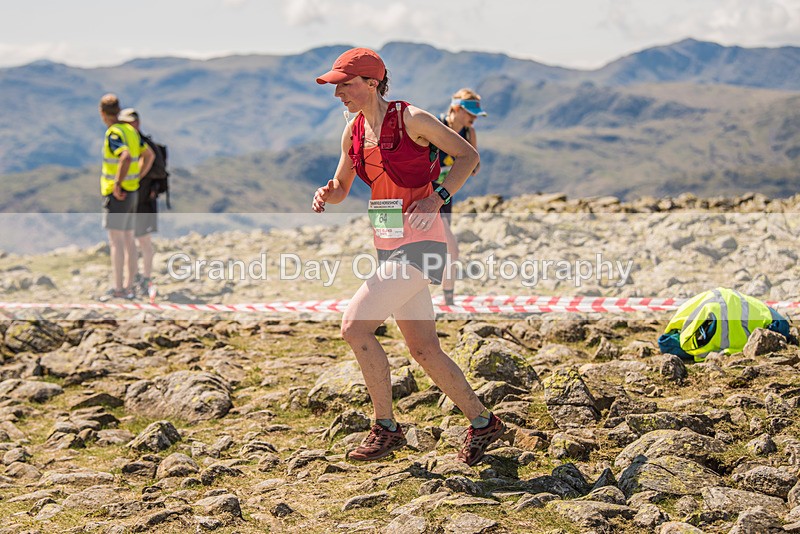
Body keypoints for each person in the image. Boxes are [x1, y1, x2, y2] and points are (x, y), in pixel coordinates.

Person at [313, 48, 505, 466]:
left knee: (354, 327)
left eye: (344, 84)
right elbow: (344, 186)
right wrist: (329, 193)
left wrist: (437, 197)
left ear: (371, 82)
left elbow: (468, 157)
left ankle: (386, 427)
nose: (337, 93)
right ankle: (483, 421)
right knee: (424, 350)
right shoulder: (352, 132)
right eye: (336, 85)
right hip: (387, 246)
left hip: (423, 246)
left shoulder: (412, 118)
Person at [98, 94, 154, 299]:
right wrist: (137, 176)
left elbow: (125, 156)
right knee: (129, 239)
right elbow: (149, 155)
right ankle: (129, 287)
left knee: (116, 242)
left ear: (102, 113)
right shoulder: (131, 131)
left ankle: (119, 288)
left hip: (118, 194)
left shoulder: (114, 133)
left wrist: (117, 183)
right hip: (133, 191)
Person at [435, 89, 486, 306]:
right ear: (455, 108)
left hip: (447, 193)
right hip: (426, 192)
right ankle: (447, 298)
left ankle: (447, 298)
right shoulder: (436, 126)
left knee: (445, 246)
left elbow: (475, 167)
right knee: (451, 246)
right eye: (470, 114)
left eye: (475, 116)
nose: (473, 119)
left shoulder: (469, 133)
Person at [118, 107, 165, 297]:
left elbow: (154, 164)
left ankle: (145, 279)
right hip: (138, 199)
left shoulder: (144, 145)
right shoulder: (134, 143)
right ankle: (135, 280)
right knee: (132, 241)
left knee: (142, 241)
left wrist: (136, 177)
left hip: (143, 200)